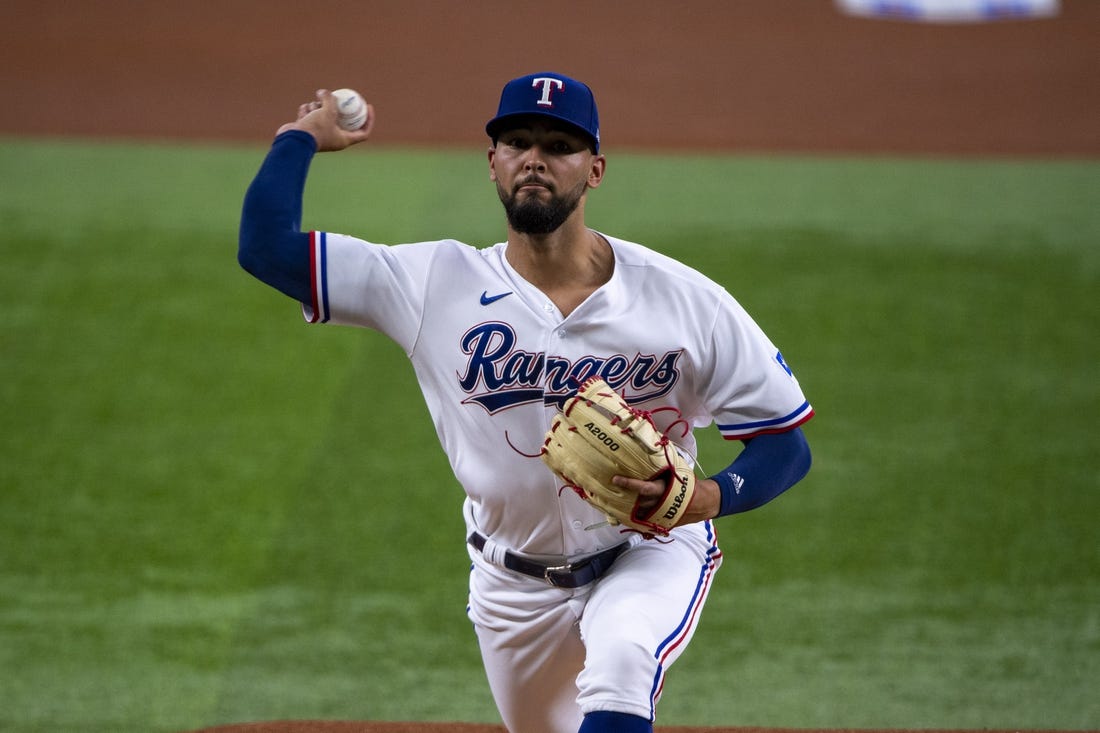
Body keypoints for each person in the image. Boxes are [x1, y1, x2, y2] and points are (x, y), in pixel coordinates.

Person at [238, 72, 814, 733]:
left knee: (623, 659)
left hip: (648, 548)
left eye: (559, 144)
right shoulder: (430, 283)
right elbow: (265, 249)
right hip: (510, 584)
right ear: (493, 163)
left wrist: (706, 498)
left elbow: (784, 442)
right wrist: (298, 139)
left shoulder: (686, 301)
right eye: (517, 141)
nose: (535, 158)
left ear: (594, 170)